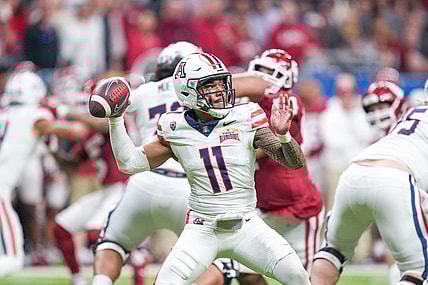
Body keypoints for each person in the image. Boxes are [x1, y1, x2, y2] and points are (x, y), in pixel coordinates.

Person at [100, 51, 309, 285]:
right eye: (210, 86)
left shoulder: (246, 115)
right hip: (202, 229)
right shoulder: (174, 127)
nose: (220, 91)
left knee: (297, 276)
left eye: (222, 83)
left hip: (248, 225)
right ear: (188, 92)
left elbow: (294, 161)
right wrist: (115, 120)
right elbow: (130, 163)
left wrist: (283, 136)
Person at [311, 78, 428, 285]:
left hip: (354, 173)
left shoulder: (411, 115)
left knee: (332, 251)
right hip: (394, 178)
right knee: (418, 269)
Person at [0, 70, 88, 278]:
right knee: (13, 260)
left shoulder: (4, 114)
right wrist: (62, 110)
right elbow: (78, 130)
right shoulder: (36, 117)